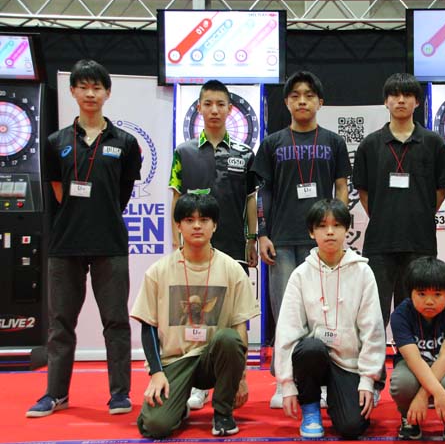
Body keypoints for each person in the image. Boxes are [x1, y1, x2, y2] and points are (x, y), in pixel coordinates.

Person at [26, 59, 141, 418]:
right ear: (73, 91)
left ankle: (119, 394)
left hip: (110, 242)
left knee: (116, 322)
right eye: (83, 87)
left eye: (97, 87)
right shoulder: (55, 142)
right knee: (60, 324)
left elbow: (122, 193)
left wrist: (99, 212)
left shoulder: (125, 142)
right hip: (65, 244)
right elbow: (59, 191)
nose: (90, 93)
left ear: (107, 93)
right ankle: (55, 393)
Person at [252, 71, 352, 407]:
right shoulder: (272, 143)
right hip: (281, 240)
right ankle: (284, 381)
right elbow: (263, 192)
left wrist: (338, 227)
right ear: (286, 102)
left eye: (309, 95)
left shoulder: (334, 142)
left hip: (321, 241)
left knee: (322, 313)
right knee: (286, 312)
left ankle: (319, 378)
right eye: (295, 95)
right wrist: (262, 233)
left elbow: (341, 187)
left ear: (320, 102)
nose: (302, 101)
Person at [130, 193, 259, 438]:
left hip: (213, 358)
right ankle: (178, 408)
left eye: (204, 220)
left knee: (229, 338)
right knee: (155, 427)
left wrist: (241, 377)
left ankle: (222, 413)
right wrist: (156, 373)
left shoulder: (232, 269)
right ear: (178, 225)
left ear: (215, 225)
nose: (197, 226)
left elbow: (240, 327)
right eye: (189, 220)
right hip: (175, 361)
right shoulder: (159, 271)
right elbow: (148, 325)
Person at [168, 80, 258, 410]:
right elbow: (176, 198)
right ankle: (196, 382)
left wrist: (251, 239)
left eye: (221, 104)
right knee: (194, 312)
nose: (215, 110)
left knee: (234, 314)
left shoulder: (245, 154)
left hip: (233, 244)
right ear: (199, 108)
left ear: (230, 109)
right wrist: (175, 242)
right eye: (208, 104)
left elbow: (251, 200)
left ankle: (233, 378)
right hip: (192, 248)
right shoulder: (184, 152)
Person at [274, 199, 385, 439]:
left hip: (348, 363)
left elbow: (373, 329)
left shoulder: (363, 272)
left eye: (337, 225)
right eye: (322, 226)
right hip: (314, 359)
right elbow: (287, 330)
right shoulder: (300, 275)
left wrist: (367, 379)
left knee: (351, 427)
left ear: (347, 229)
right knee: (310, 347)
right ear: (311, 232)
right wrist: (287, 384)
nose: (330, 232)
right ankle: (311, 408)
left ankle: (345, 396)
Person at [353, 72, 445, 329]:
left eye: (407, 95)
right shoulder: (370, 144)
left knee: (416, 314)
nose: (400, 100)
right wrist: (383, 215)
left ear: (417, 102)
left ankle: (411, 355)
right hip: (380, 242)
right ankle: (374, 357)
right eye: (394, 95)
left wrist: (420, 213)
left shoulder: (433, 143)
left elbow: (441, 189)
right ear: (385, 101)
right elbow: (363, 191)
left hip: (420, 242)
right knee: (374, 314)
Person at [389, 256, 445, 441]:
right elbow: (414, 360)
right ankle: (409, 417)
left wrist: (422, 396)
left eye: (437, 294)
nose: (429, 301)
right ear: (410, 293)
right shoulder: (400, 315)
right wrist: (435, 393)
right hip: (414, 365)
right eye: (422, 294)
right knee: (401, 384)